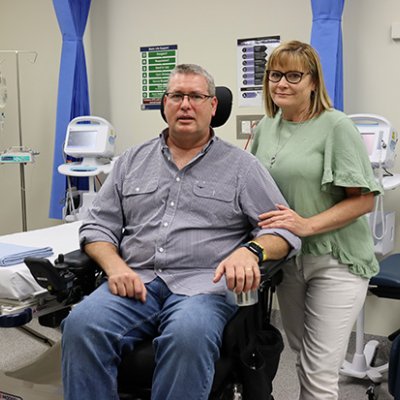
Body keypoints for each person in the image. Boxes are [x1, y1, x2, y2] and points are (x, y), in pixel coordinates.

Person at [61, 63, 300, 400]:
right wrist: (114, 266)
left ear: (212, 106)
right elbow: (98, 225)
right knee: (82, 325)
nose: (185, 104)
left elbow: (284, 232)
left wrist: (252, 250)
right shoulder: (131, 162)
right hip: (135, 280)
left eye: (196, 96)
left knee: (188, 335)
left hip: (204, 288)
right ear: (165, 104)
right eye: (176, 96)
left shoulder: (242, 167)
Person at [251, 40, 383, 400]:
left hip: (335, 260)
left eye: (294, 75)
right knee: (304, 359)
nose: (282, 83)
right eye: (276, 74)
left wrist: (306, 225)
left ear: (313, 81)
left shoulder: (336, 126)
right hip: (288, 261)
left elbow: (364, 200)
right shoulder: (266, 126)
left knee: (320, 373)